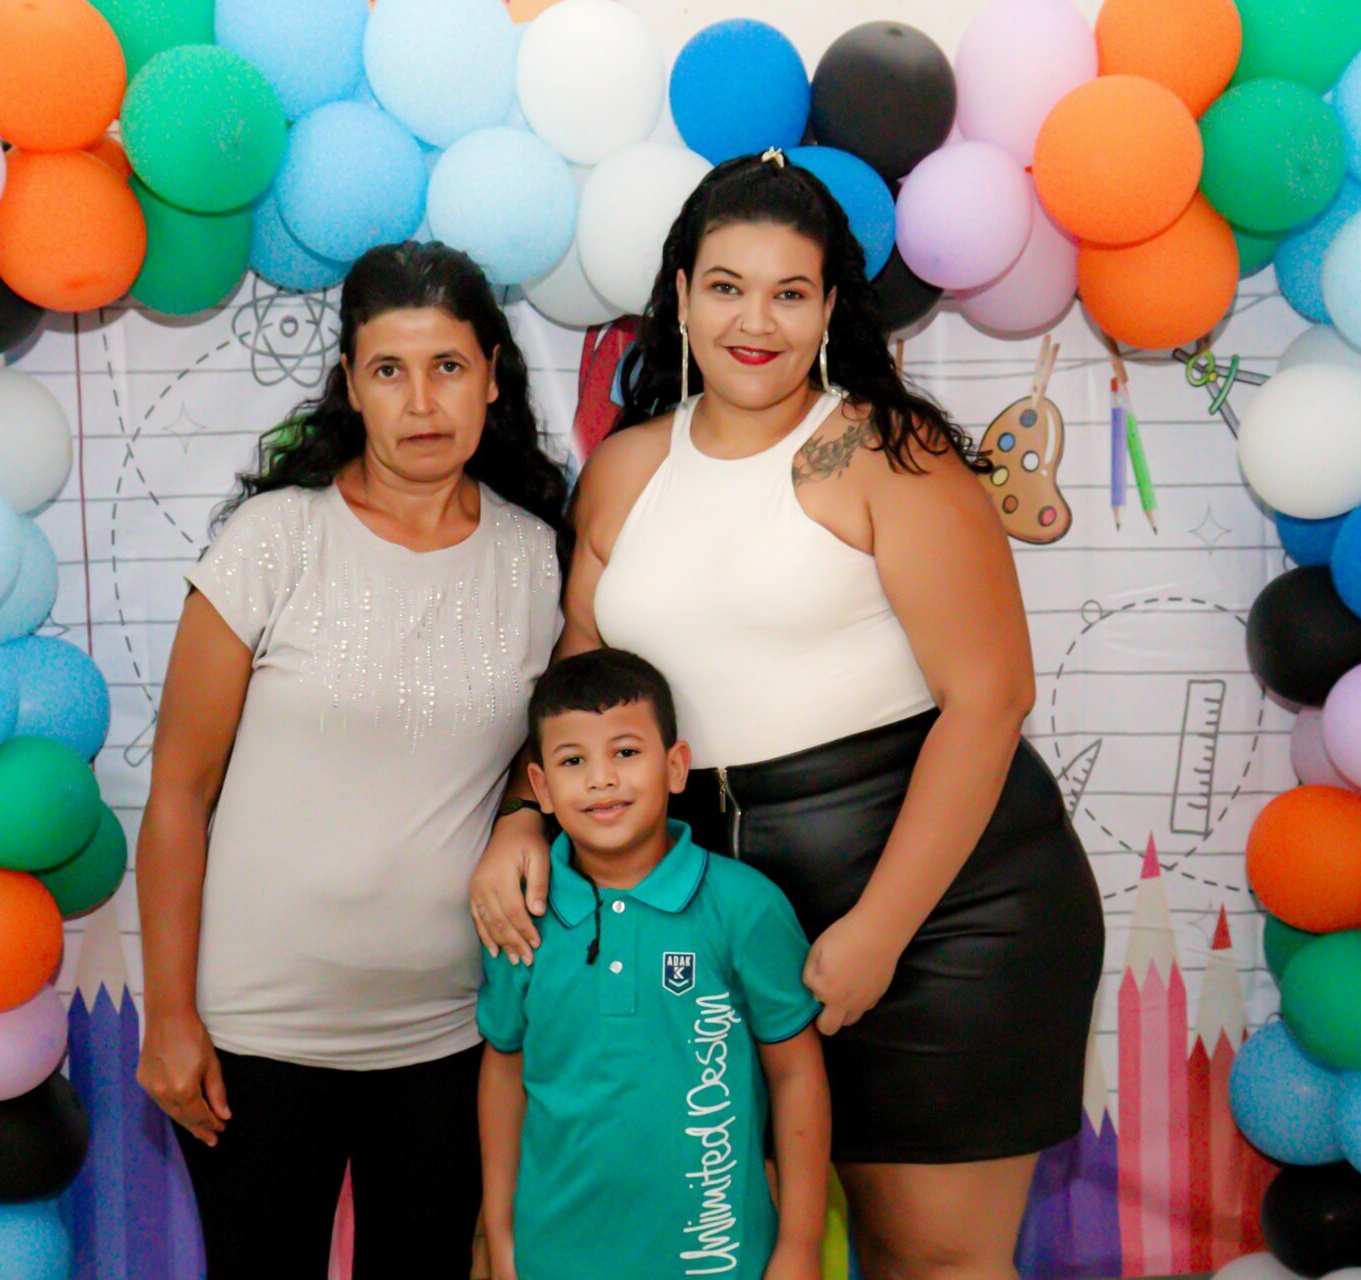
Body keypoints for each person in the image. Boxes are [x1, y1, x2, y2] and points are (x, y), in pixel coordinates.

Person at [470, 151, 1105, 1279]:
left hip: (945, 911)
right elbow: (581, 684)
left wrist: (881, 930)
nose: (754, 321)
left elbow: (990, 697)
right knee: (722, 1246)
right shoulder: (623, 470)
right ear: (680, 296)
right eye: (726, 286)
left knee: (932, 1257)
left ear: (829, 307)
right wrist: (523, 819)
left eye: (789, 292)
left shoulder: (892, 452)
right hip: (714, 915)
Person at [137, 242, 570, 1279]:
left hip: (450, 1036)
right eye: (389, 370)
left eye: (448, 366)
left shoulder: (537, 558)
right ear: (350, 383)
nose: (421, 401)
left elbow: (555, 749)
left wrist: (523, 814)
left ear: (493, 376)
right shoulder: (273, 541)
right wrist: (170, 1014)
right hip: (257, 1036)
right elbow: (179, 795)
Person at [477, 649, 831, 1280]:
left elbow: (796, 1075)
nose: (601, 779)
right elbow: (504, 1074)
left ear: (675, 767)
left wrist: (801, 1245)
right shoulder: (519, 917)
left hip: (718, 1259)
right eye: (573, 761)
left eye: (625, 752)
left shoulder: (743, 906)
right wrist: (500, 1235)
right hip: (555, 1259)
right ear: (542, 789)